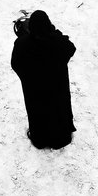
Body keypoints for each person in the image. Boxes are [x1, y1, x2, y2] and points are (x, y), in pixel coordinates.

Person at [11, 10, 76, 149]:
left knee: (37, 113)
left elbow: (15, 63)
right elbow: (71, 48)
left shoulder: (22, 43)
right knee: (58, 111)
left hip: (34, 90)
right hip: (57, 88)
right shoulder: (57, 42)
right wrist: (55, 32)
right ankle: (61, 138)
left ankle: (40, 138)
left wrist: (27, 78)